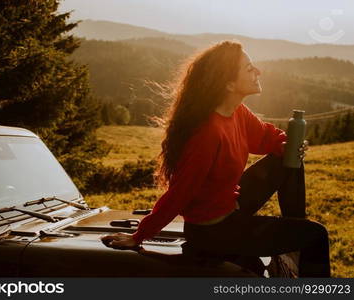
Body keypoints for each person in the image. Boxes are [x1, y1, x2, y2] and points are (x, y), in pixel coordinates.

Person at [101, 40, 330, 277]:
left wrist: (287, 145)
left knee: (289, 157)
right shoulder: (207, 133)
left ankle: (292, 244)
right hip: (214, 232)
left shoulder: (236, 112)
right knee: (316, 236)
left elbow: (265, 137)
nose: (258, 72)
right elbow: (180, 193)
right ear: (229, 84)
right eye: (249, 69)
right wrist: (139, 236)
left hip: (231, 204)